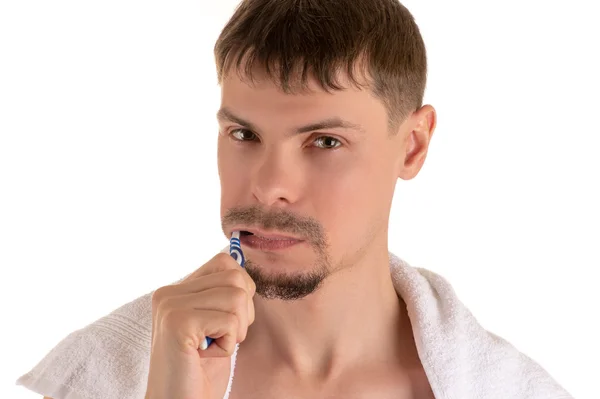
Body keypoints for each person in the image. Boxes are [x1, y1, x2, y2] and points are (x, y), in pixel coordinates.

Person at [16, 0, 573, 398]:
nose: (268, 185)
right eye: (244, 135)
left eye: (325, 142)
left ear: (412, 146)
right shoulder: (102, 378)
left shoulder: (513, 389)